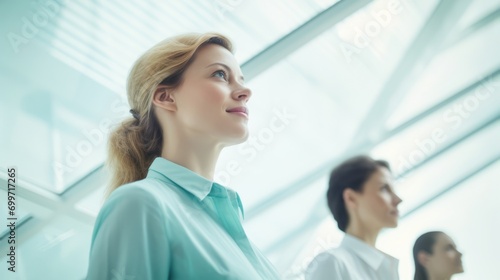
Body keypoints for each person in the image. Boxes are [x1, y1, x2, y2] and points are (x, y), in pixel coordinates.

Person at [86, 33, 280, 280]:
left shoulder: (228, 221)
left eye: (241, 79)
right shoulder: (140, 203)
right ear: (166, 97)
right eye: (220, 74)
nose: (245, 90)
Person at [305, 155, 402, 280]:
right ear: (351, 198)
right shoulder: (332, 263)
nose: (398, 200)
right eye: (384, 189)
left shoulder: (384, 268)